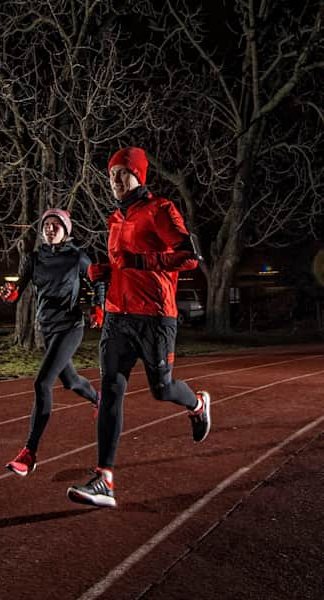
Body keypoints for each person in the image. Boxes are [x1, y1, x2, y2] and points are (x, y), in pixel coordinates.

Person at [67, 147, 211, 508]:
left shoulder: (161, 210)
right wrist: (105, 276)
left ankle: (196, 404)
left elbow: (189, 257)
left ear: (139, 175)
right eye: (112, 174)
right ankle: (105, 479)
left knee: (161, 390)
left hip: (155, 316)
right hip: (118, 316)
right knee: (110, 393)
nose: (115, 181)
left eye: (122, 174)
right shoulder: (114, 219)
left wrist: (142, 260)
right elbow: (121, 264)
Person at [0, 208, 105, 477]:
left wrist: (98, 306)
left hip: (71, 326)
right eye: (46, 224)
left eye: (55, 224)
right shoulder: (33, 259)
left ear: (66, 230)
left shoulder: (77, 257)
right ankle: (98, 398)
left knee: (42, 383)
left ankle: (29, 453)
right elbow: (19, 289)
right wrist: (11, 294)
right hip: (46, 327)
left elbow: (98, 280)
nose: (49, 228)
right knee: (69, 381)